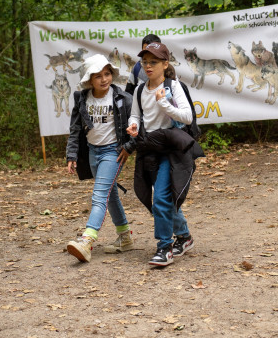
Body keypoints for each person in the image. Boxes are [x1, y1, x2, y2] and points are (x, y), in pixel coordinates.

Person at [127, 42, 203, 266]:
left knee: (160, 198)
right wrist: (133, 126)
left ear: (165, 63)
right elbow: (135, 116)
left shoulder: (173, 86)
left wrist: (164, 103)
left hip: (172, 150)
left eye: (153, 62)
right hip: (150, 149)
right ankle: (184, 236)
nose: (148, 67)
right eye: (144, 62)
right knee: (163, 199)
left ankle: (164, 248)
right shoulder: (140, 90)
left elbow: (187, 117)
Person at [65, 54, 136, 262]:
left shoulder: (123, 99)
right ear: (89, 80)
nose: (104, 79)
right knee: (110, 194)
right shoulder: (82, 98)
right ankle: (125, 237)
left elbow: (137, 125)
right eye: (98, 76)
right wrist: (72, 154)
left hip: (113, 152)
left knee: (99, 195)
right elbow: (75, 128)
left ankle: (87, 240)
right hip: (92, 152)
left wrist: (129, 147)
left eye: (107, 74)